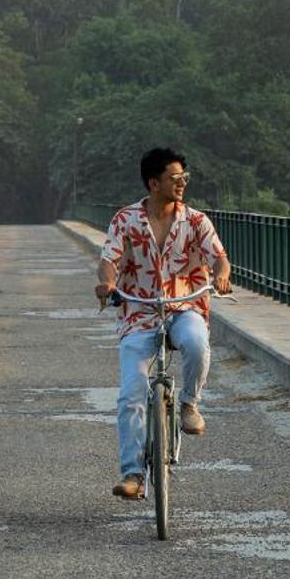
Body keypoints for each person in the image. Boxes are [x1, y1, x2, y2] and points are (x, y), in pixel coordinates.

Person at [95, 147, 232, 500]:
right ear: (154, 183)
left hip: (184, 305)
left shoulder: (196, 221)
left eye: (184, 177)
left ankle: (189, 404)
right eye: (174, 178)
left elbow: (219, 258)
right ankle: (133, 475)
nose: (181, 183)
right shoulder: (125, 220)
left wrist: (220, 276)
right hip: (139, 310)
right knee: (131, 394)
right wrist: (107, 284)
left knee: (196, 343)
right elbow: (109, 258)